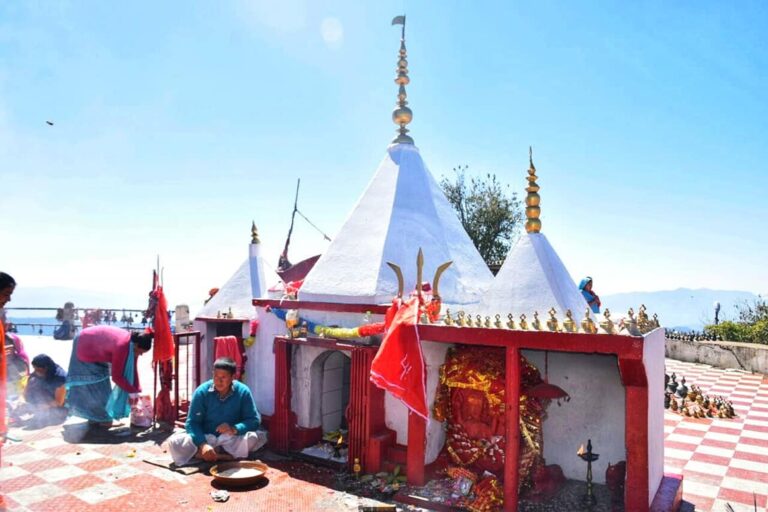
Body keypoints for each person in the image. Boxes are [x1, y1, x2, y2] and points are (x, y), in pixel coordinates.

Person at [167, 357, 266, 465]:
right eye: (216, 376)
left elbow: (254, 420)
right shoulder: (202, 392)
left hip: (230, 438)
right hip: (206, 436)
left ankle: (205, 455)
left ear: (233, 377)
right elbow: (192, 423)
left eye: (223, 377)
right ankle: (220, 455)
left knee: (253, 438)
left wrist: (234, 429)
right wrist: (203, 444)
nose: (219, 381)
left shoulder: (243, 391)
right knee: (174, 442)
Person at [65, 325, 153, 427]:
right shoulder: (123, 346)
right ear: (136, 345)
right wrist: (131, 391)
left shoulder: (131, 345)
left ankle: (96, 417)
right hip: (84, 344)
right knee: (95, 383)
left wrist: (137, 389)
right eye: (141, 352)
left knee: (102, 382)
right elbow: (116, 377)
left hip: (91, 342)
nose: (140, 355)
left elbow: (133, 369)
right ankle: (101, 419)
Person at [15, 354, 68, 426]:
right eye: (34, 368)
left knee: (55, 414)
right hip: (44, 401)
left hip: (59, 406)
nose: (35, 371)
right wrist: (21, 400)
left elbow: (59, 402)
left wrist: (42, 406)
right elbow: (26, 390)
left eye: (37, 369)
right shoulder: (38, 372)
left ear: (46, 368)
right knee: (33, 381)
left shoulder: (59, 377)